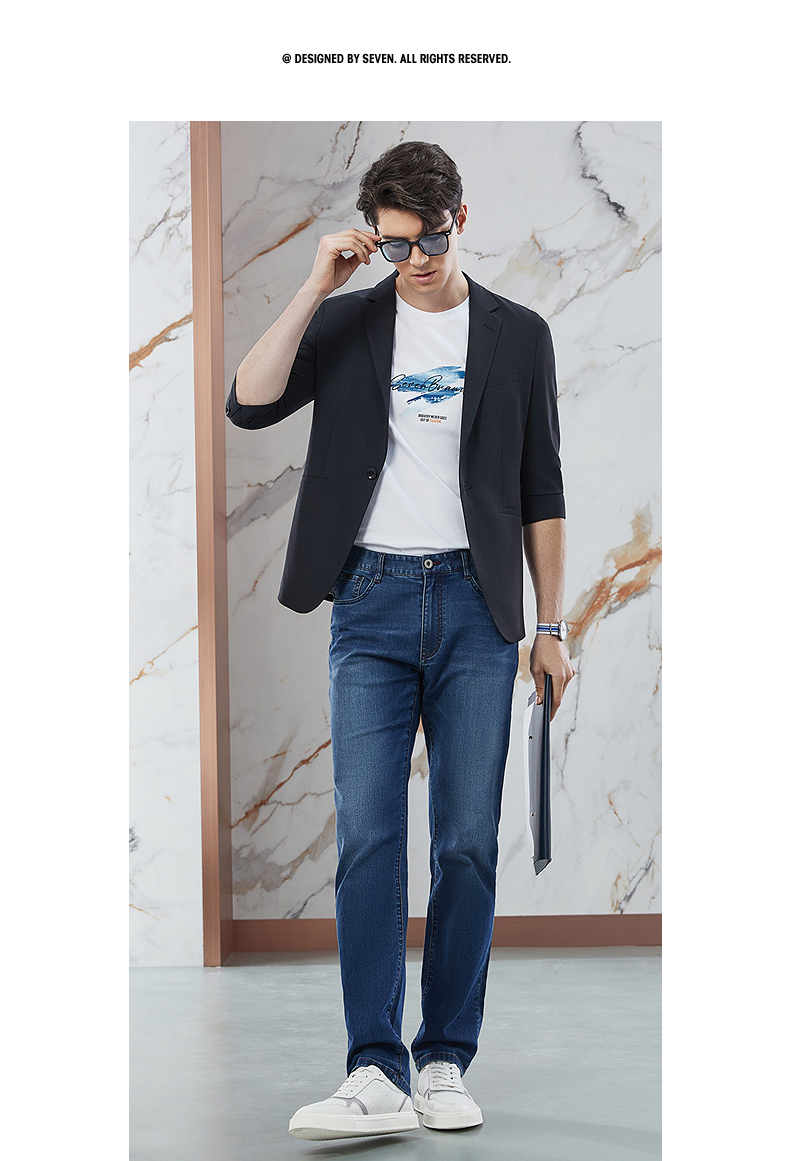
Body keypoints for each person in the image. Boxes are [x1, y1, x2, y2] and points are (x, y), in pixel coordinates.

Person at [225, 140, 575, 1141]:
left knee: (464, 841)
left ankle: (444, 1058)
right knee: (370, 840)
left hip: (477, 608)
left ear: (460, 220)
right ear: (373, 238)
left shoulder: (518, 334)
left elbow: (543, 489)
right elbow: (248, 402)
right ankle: (373, 1067)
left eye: (427, 242)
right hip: (370, 603)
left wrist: (551, 626)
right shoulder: (347, 322)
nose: (413, 262)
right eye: (392, 246)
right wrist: (315, 285)